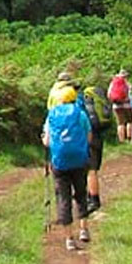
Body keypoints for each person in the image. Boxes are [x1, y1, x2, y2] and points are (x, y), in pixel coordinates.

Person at [43, 72, 93, 251]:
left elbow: (47, 141)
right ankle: (84, 230)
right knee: (80, 194)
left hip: (59, 162)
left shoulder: (52, 116)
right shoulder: (80, 114)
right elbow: (89, 137)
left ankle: (69, 239)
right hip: (80, 160)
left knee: (63, 198)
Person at [80, 80, 106, 213]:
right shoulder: (95, 97)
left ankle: (94, 199)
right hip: (98, 135)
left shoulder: (79, 101)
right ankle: (93, 197)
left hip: (88, 136)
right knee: (94, 168)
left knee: (90, 170)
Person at [108, 69, 132, 142]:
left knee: (120, 123)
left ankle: (121, 140)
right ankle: (129, 138)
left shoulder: (113, 82)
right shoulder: (128, 83)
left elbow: (109, 94)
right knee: (130, 121)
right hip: (127, 105)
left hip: (116, 105)